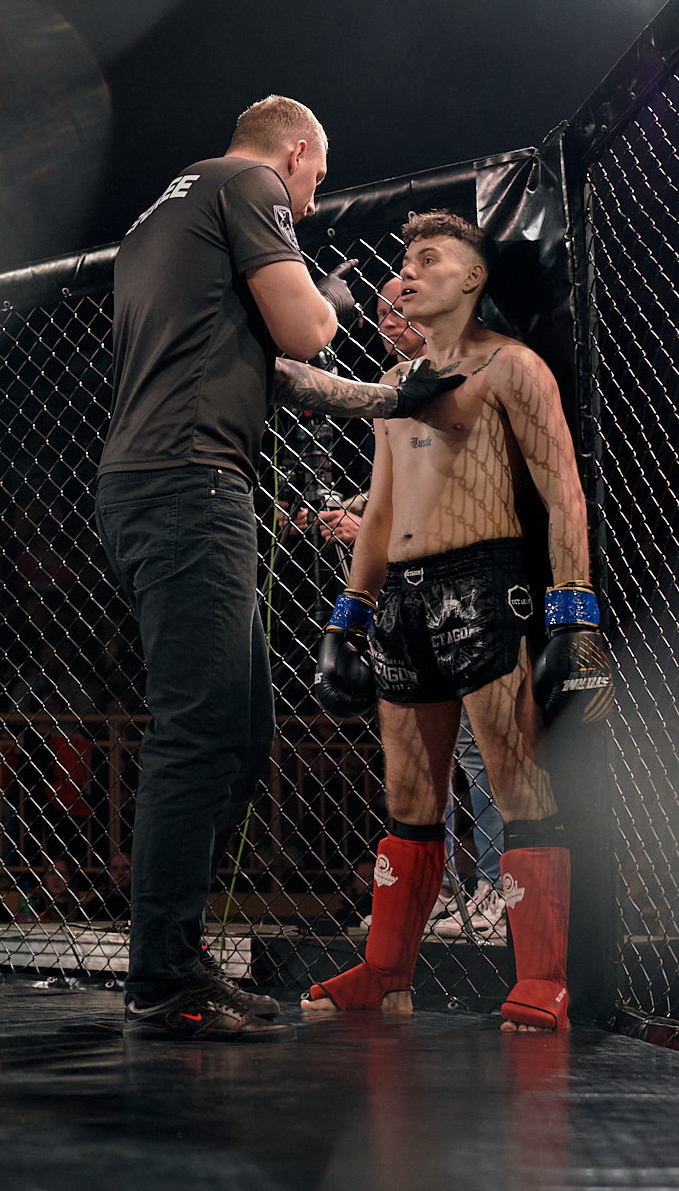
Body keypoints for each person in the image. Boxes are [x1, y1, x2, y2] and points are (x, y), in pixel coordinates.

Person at [96, 96, 464, 1042]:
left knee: (244, 731)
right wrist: (326, 300)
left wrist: (395, 396)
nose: (308, 203)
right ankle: (162, 971)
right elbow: (306, 335)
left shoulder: (162, 216)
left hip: (158, 483)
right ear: (296, 153)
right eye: (315, 181)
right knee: (201, 730)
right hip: (189, 484)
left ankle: (170, 954)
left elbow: (288, 378)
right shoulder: (249, 184)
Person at [305, 210, 610, 1032]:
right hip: (401, 600)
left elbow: (563, 490)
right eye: (405, 260)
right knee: (410, 797)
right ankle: (387, 970)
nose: (408, 271)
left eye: (428, 258)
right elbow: (378, 514)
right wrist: (347, 617)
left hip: (484, 584)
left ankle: (542, 979)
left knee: (517, 786)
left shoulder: (512, 366)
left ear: (473, 277)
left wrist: (574, 612)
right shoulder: (395, 386)